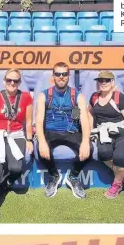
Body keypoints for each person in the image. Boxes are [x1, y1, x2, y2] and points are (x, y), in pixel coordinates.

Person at [35, 63, 92, 199]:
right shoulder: (44, 95)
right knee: (40, 148)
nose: (61, 77)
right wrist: (42, 142)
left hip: (71, 131)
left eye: (64, 74)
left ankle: (73, 176)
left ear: (69, 76)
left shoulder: (77, 96)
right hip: (51, 131)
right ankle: (54, 175)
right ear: (53, 76)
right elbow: (38, 121)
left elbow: (84, 120)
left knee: (89, 148)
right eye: (58, 74)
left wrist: (85, 141)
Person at [0, 69, 33, 220]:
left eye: (16, 81)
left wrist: (29, 139)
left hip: (16, 135)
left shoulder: (25, 98)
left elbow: (28, 121)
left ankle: (3, 186)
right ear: (4, 81)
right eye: (9, 80)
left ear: (19, 82)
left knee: (16, 167)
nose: (12, 83)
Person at [87, 71, 124, 199]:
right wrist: (90, 130)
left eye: (107, 80)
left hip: (121, 132)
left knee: (121, 157)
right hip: (103, 133)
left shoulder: (119, 97)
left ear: (113, 83)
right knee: (104, 154)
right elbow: (89, 113)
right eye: (101, 80)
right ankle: (123, 177)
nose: (103, 83)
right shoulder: (94, 97)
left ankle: (116, 184)